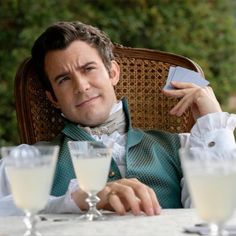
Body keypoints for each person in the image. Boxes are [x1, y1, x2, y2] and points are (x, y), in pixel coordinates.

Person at [0, 21, 236, 216]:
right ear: (52, 98)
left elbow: (221, 212)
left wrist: (213, 123)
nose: (81, 86)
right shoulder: (30, 161)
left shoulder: (183, 147)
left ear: (113, 73)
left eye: (88, 68)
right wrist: (73, 200)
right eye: (64, 79)